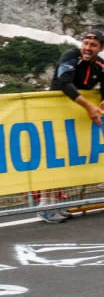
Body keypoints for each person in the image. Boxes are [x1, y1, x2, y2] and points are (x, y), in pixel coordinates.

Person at [40, 27, 104, 223]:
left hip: (74, 114)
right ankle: (45, 204)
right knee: (55, 156)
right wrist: (89, 107)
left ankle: (56, 203)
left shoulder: (100, 64)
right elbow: (64, 83)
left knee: (67, 157)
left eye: (93, 45)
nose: (87, 48)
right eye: (85, 43)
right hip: (55, 111)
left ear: (100, 48)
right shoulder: (70, 55)